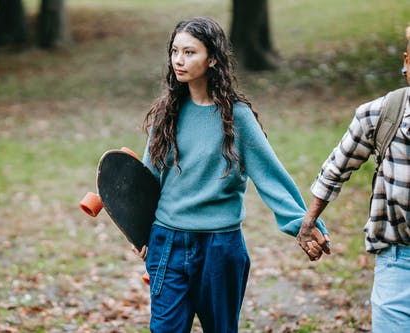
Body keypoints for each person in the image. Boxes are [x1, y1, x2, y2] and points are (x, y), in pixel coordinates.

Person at [132, 16, 328, 332]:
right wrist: (140, 230)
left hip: (220, 247)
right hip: (167, 243)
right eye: (175, 51)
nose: (179, 60)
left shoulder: (236, 118)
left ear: (212, 59)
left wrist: (303, 224)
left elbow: (271, 175)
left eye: (190, 53)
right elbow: (149, 178)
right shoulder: (165, 114)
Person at [297, 26, 410, 332]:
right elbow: (335, 169)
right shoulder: (382, 114)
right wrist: (309, 223)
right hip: (399, 260)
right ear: (406, 63)